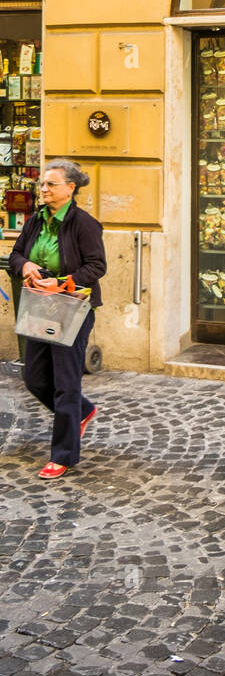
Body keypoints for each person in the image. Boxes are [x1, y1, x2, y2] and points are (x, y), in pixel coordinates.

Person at [10, 160, 108, 480]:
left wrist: (62, 280)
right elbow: (16, 254)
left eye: (51, 184)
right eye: (43, 184)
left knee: (66, 383)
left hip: (72, 305)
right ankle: (81, 411)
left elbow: (96, 267)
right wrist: (25, 267)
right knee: (35, 378)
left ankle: (63, 454)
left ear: (70, 189)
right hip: (40, 304)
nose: (44, 189)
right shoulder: (36, 220)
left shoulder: (85, 224)